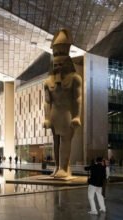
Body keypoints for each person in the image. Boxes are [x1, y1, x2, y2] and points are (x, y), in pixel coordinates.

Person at [43, 29, 82, 178]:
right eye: (56, 64)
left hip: (67, 113)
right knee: (56, 141)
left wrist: (77, 116)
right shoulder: (48, 82)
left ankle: (64, 168)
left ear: (67, 63)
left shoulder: (75, 79)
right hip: (54, 114)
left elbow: (77, 99)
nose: (58, 67)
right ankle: (57, 166)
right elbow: (47, 101)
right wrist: (47, 118)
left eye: (61, 64)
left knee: (66, 139)